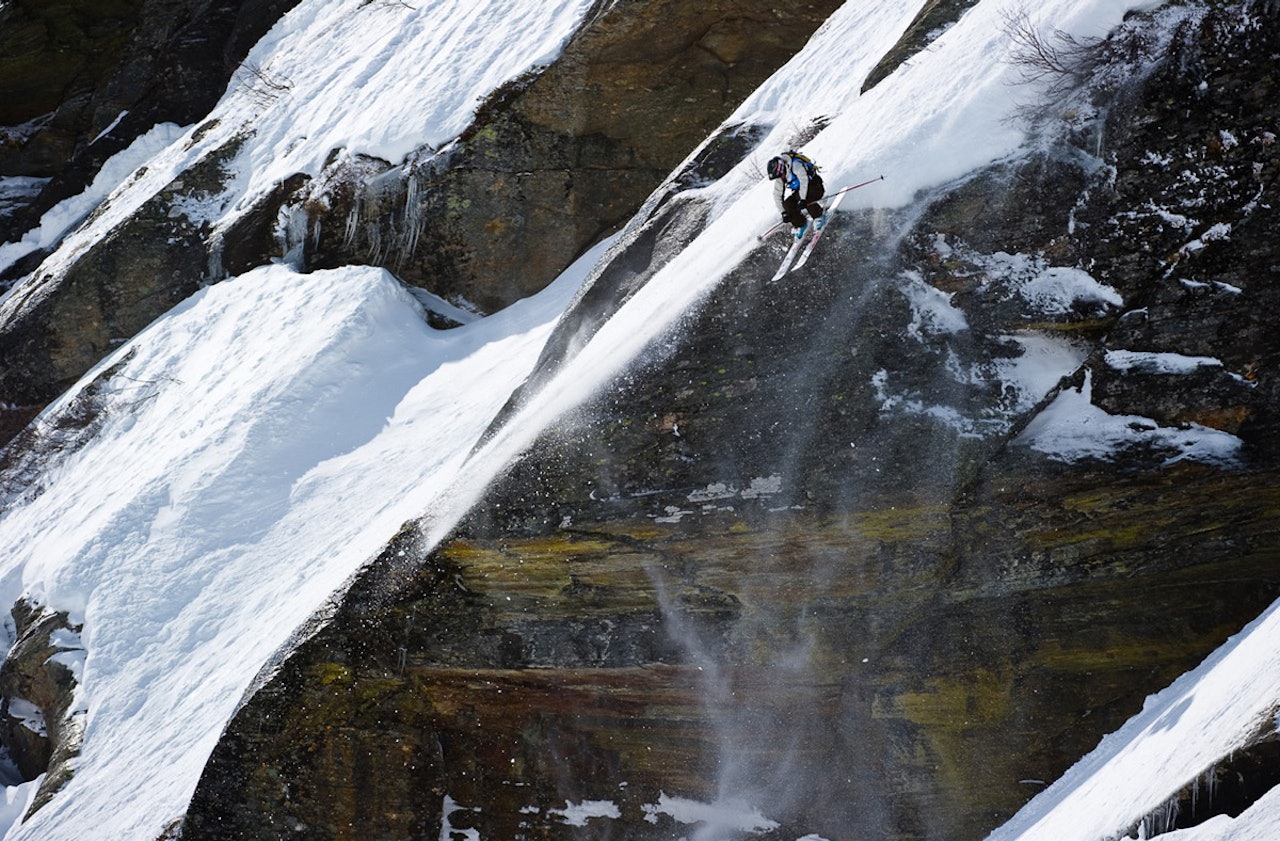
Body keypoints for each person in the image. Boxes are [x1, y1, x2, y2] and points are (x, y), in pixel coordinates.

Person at [767, 150, 825, 235]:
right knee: (787, 204)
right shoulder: (781, 178)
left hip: (815, 187)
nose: (780, 178)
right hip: (800, 192)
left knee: (800, 197)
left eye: (780, 175)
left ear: (782, 169)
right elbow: (777, 195)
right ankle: (800, 224)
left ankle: (818, 216)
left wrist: (802, 199)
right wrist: (783, 212)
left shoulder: (795, 165)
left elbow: (804, 180)